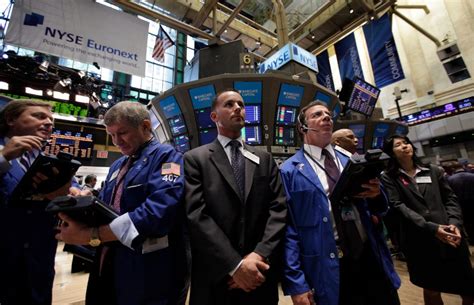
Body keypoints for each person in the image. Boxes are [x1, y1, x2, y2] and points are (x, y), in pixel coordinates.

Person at [56, 101, 189, 305]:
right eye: (111, 135)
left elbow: (158, 212)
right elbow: (108, 203)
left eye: (122, 133)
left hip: (147, 270)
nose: (116, 141)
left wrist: (92, 235)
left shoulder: (169, 157)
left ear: (145, 126)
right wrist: (85, 199)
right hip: (108, 262)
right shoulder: (118, 164)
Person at [280, 101, 400, 305]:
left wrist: (376, 195)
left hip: (370, 257)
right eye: (317, 115)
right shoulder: (289, 170)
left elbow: (379, 208)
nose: (326, 117)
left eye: (328, 114)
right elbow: (288, 230)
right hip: (328, 263)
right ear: (302, 127)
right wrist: (297, 284)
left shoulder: (352, 161)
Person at [184, 89, 287, 305]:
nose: (238, 108)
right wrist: (235, 265)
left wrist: (259, 255)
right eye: (229, 104)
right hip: (216, 276)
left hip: (259, 273)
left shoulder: (264, 159)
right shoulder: (195, 159)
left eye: (241, 104)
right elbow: (196, 215)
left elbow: (278, 209)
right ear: (214, 116)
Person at [0, 99, 81, 305]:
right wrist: (3, 157)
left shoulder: (48, 161)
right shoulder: (3, 152)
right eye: (39, 116)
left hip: (39, 263)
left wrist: (72, 194)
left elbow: (74, 191)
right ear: (10, 119)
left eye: (51, 120)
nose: (48, 123)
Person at [381, 135, 474, 305]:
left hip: (451, 235)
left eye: (406, 142)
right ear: (391, 153)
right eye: (398, 145)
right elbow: (398, 205)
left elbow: (450, 200)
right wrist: (431, 228)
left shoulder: (433, 170)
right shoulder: (389, 177)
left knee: (467, 287)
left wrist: (454, 224)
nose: (404, 146)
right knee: (431, 289)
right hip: (420, 239)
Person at [447, 161, 474, 245]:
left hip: (461, 206)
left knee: (468, 224)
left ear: (452, 169)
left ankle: (472, 240)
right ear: (462, 166)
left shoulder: (450, 179)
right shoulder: (472, 176)